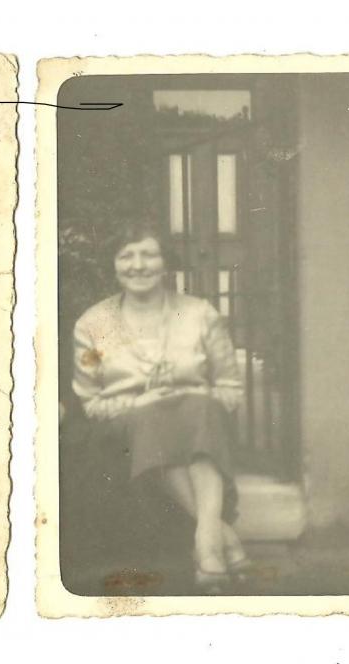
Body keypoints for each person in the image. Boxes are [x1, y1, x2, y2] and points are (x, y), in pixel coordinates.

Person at [70, 223, 249, 591]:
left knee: (196, 406)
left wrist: (188, 399)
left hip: (199, 421)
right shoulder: (93, 324)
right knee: (153, 416)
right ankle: (219, 538)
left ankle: (206, 544)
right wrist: (141, 402)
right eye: (127, 256)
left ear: (166, 262)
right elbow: (90, 401)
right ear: (114, 265)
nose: (138, 265)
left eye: (148, 254)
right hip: (127, 427)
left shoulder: (201, 314)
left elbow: (230, 388)